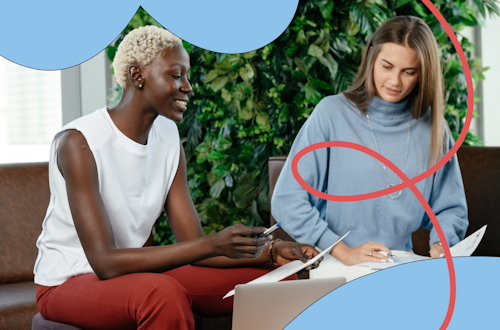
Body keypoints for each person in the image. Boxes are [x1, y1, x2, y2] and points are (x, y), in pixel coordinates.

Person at [33, 25, 321, 330]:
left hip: (132, 277)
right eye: (175, 75)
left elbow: (193, 244)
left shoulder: (168, 135)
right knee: (162, 294)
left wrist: (271, 251)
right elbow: (105, 262)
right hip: (67, 282)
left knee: (280, 278)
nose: (188, 86)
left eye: (186, 76)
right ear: (137, 76)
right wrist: (212, 243)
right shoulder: (79, 142)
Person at [271, 16, 468, 283]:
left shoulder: (433, 128)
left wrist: (441, 243)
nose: (395, 81)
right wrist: (343, 251)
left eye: (409, 71)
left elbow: (450, 208)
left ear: (423, 73)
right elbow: (287, 200)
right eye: (387, 66)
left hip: (401, 262)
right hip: (336, 263)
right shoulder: (331, 114)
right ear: (371, 57)